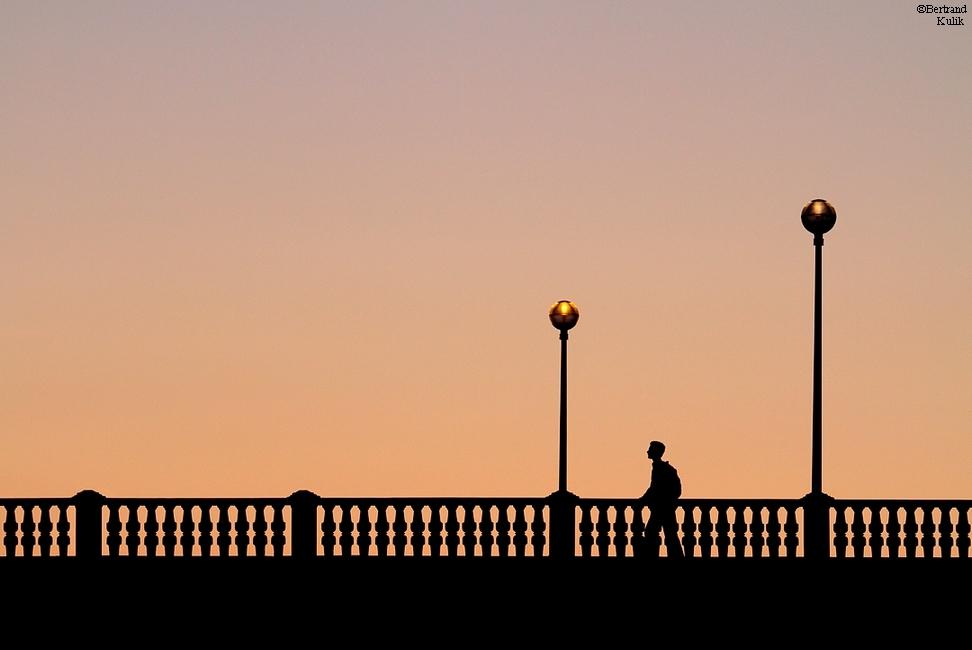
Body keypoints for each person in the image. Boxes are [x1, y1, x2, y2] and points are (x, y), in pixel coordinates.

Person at [639, 440, 684, 558]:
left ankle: (653, 555)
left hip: (662, 508)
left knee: (654, 532)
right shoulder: (664, 467)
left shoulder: (659, 468)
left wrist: (642, 500)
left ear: (656, 452)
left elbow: (654, 487)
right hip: (666, 507)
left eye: (650, 449)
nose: (647, 451)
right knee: (669, 533)